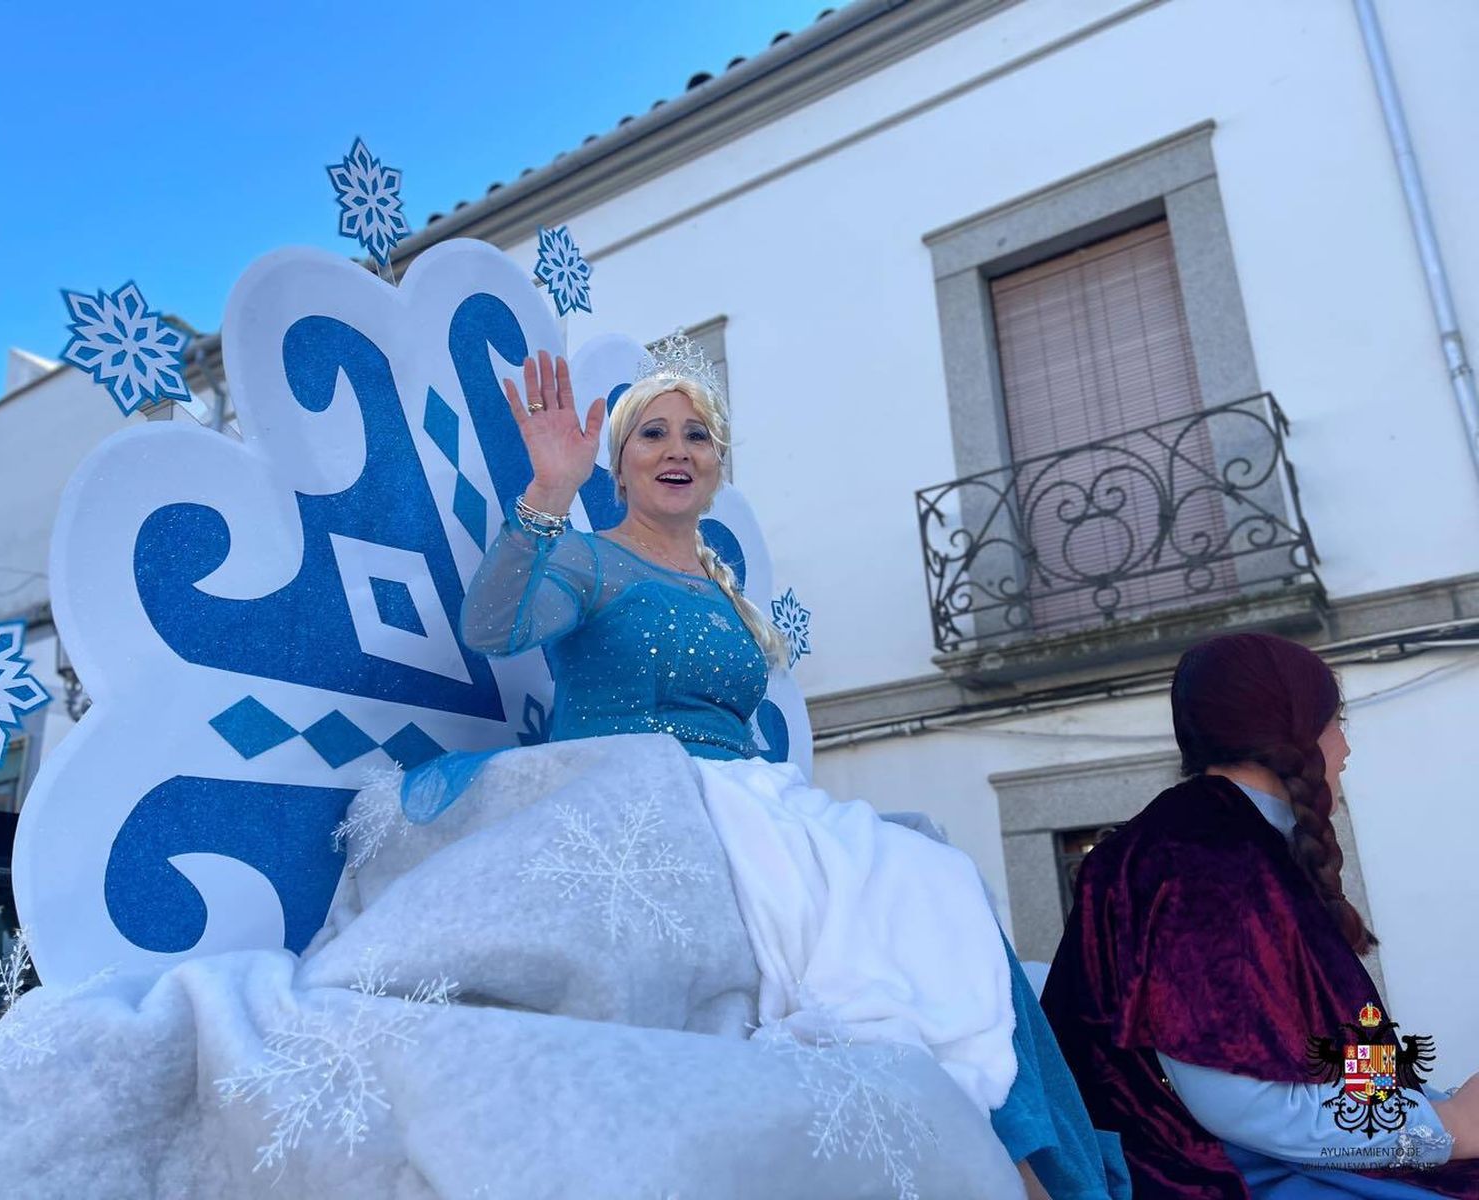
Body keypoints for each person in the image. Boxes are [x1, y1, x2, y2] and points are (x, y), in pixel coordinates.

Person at [449, 344, 1129, 1199]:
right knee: (902, 894)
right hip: (649, 794)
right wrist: (550, 489)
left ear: (717, 464)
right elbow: (491, 628)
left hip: (756, 797)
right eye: (652, 433)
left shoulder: (721, 586)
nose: (676, 449)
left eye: (696, 434)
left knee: (936, 879)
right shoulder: (590, 559)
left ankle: (1028, 1159)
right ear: (618, 464)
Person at [1041, 631, 1479, 1197]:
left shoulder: (1226, 841)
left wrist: (1435, 1107)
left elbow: (1316, 1055)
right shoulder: (1203, 862)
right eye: (1337, 720)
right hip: (1215, 1177)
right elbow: (1241, 1106)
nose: (1346, 747)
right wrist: (1449, 1128)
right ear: (1295, 727)